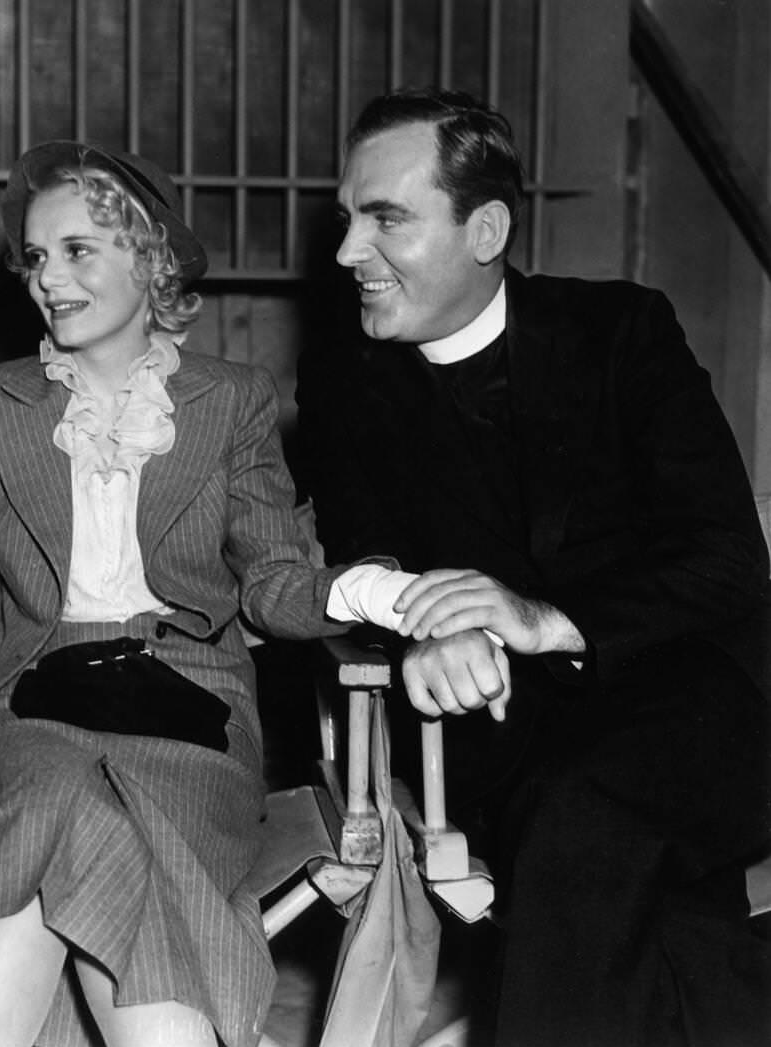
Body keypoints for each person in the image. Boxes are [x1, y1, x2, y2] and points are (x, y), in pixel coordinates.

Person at [0, 141, 425, 1047]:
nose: (47, 279)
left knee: (93, 811)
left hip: (187, 715)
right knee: (62, 790)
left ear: (150, 259)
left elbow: (272, 582)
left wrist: (380, 593)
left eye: (78, 251)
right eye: (35, 256)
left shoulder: (230, 400)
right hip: (17, 711)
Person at [297, 87, 771, 1047]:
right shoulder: (345, 381)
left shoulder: (622, 334)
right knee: (652, 903)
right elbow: (365, 562)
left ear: (487, 230)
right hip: (490, 727)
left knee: (585, 823)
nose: (348, 251)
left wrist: (543, 616)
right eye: (347, 217)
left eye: (384, 217)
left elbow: (728, 559)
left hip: (694, 701)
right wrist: (419, 636)